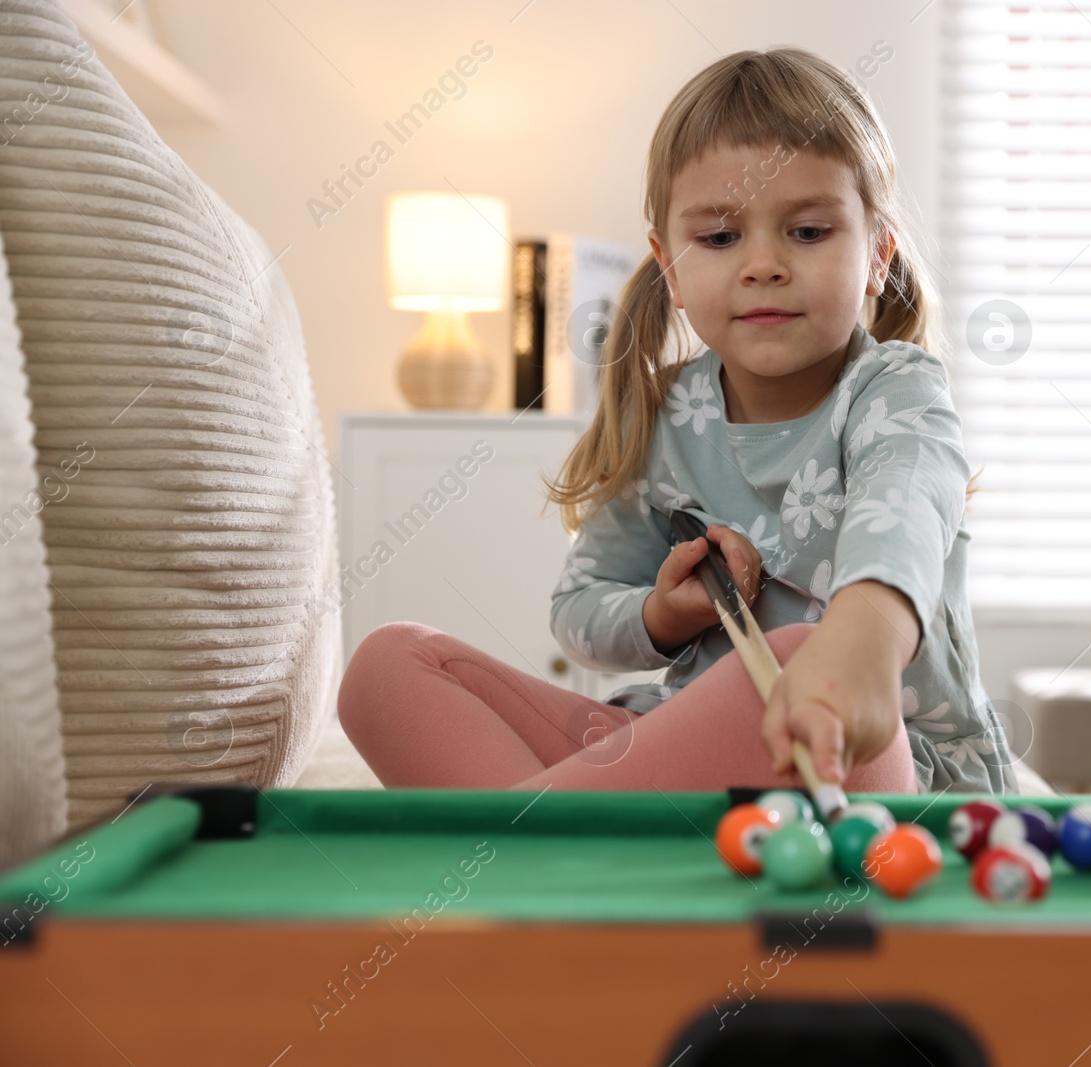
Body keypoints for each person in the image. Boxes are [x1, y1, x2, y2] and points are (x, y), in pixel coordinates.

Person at [339, 47, 1019, 796]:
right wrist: (662, 614)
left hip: (880, 767)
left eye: (809, 231)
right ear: (668, 264)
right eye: (721, 238)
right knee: (391, 663)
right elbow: (580, 609)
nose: (762, 264)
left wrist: (859, 646)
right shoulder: (665, 413)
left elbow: (905, 522)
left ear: (878, 253)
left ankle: (531, 846)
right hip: (687, 754)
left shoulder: (897, 390)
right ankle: (569, 842)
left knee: (797, 656)